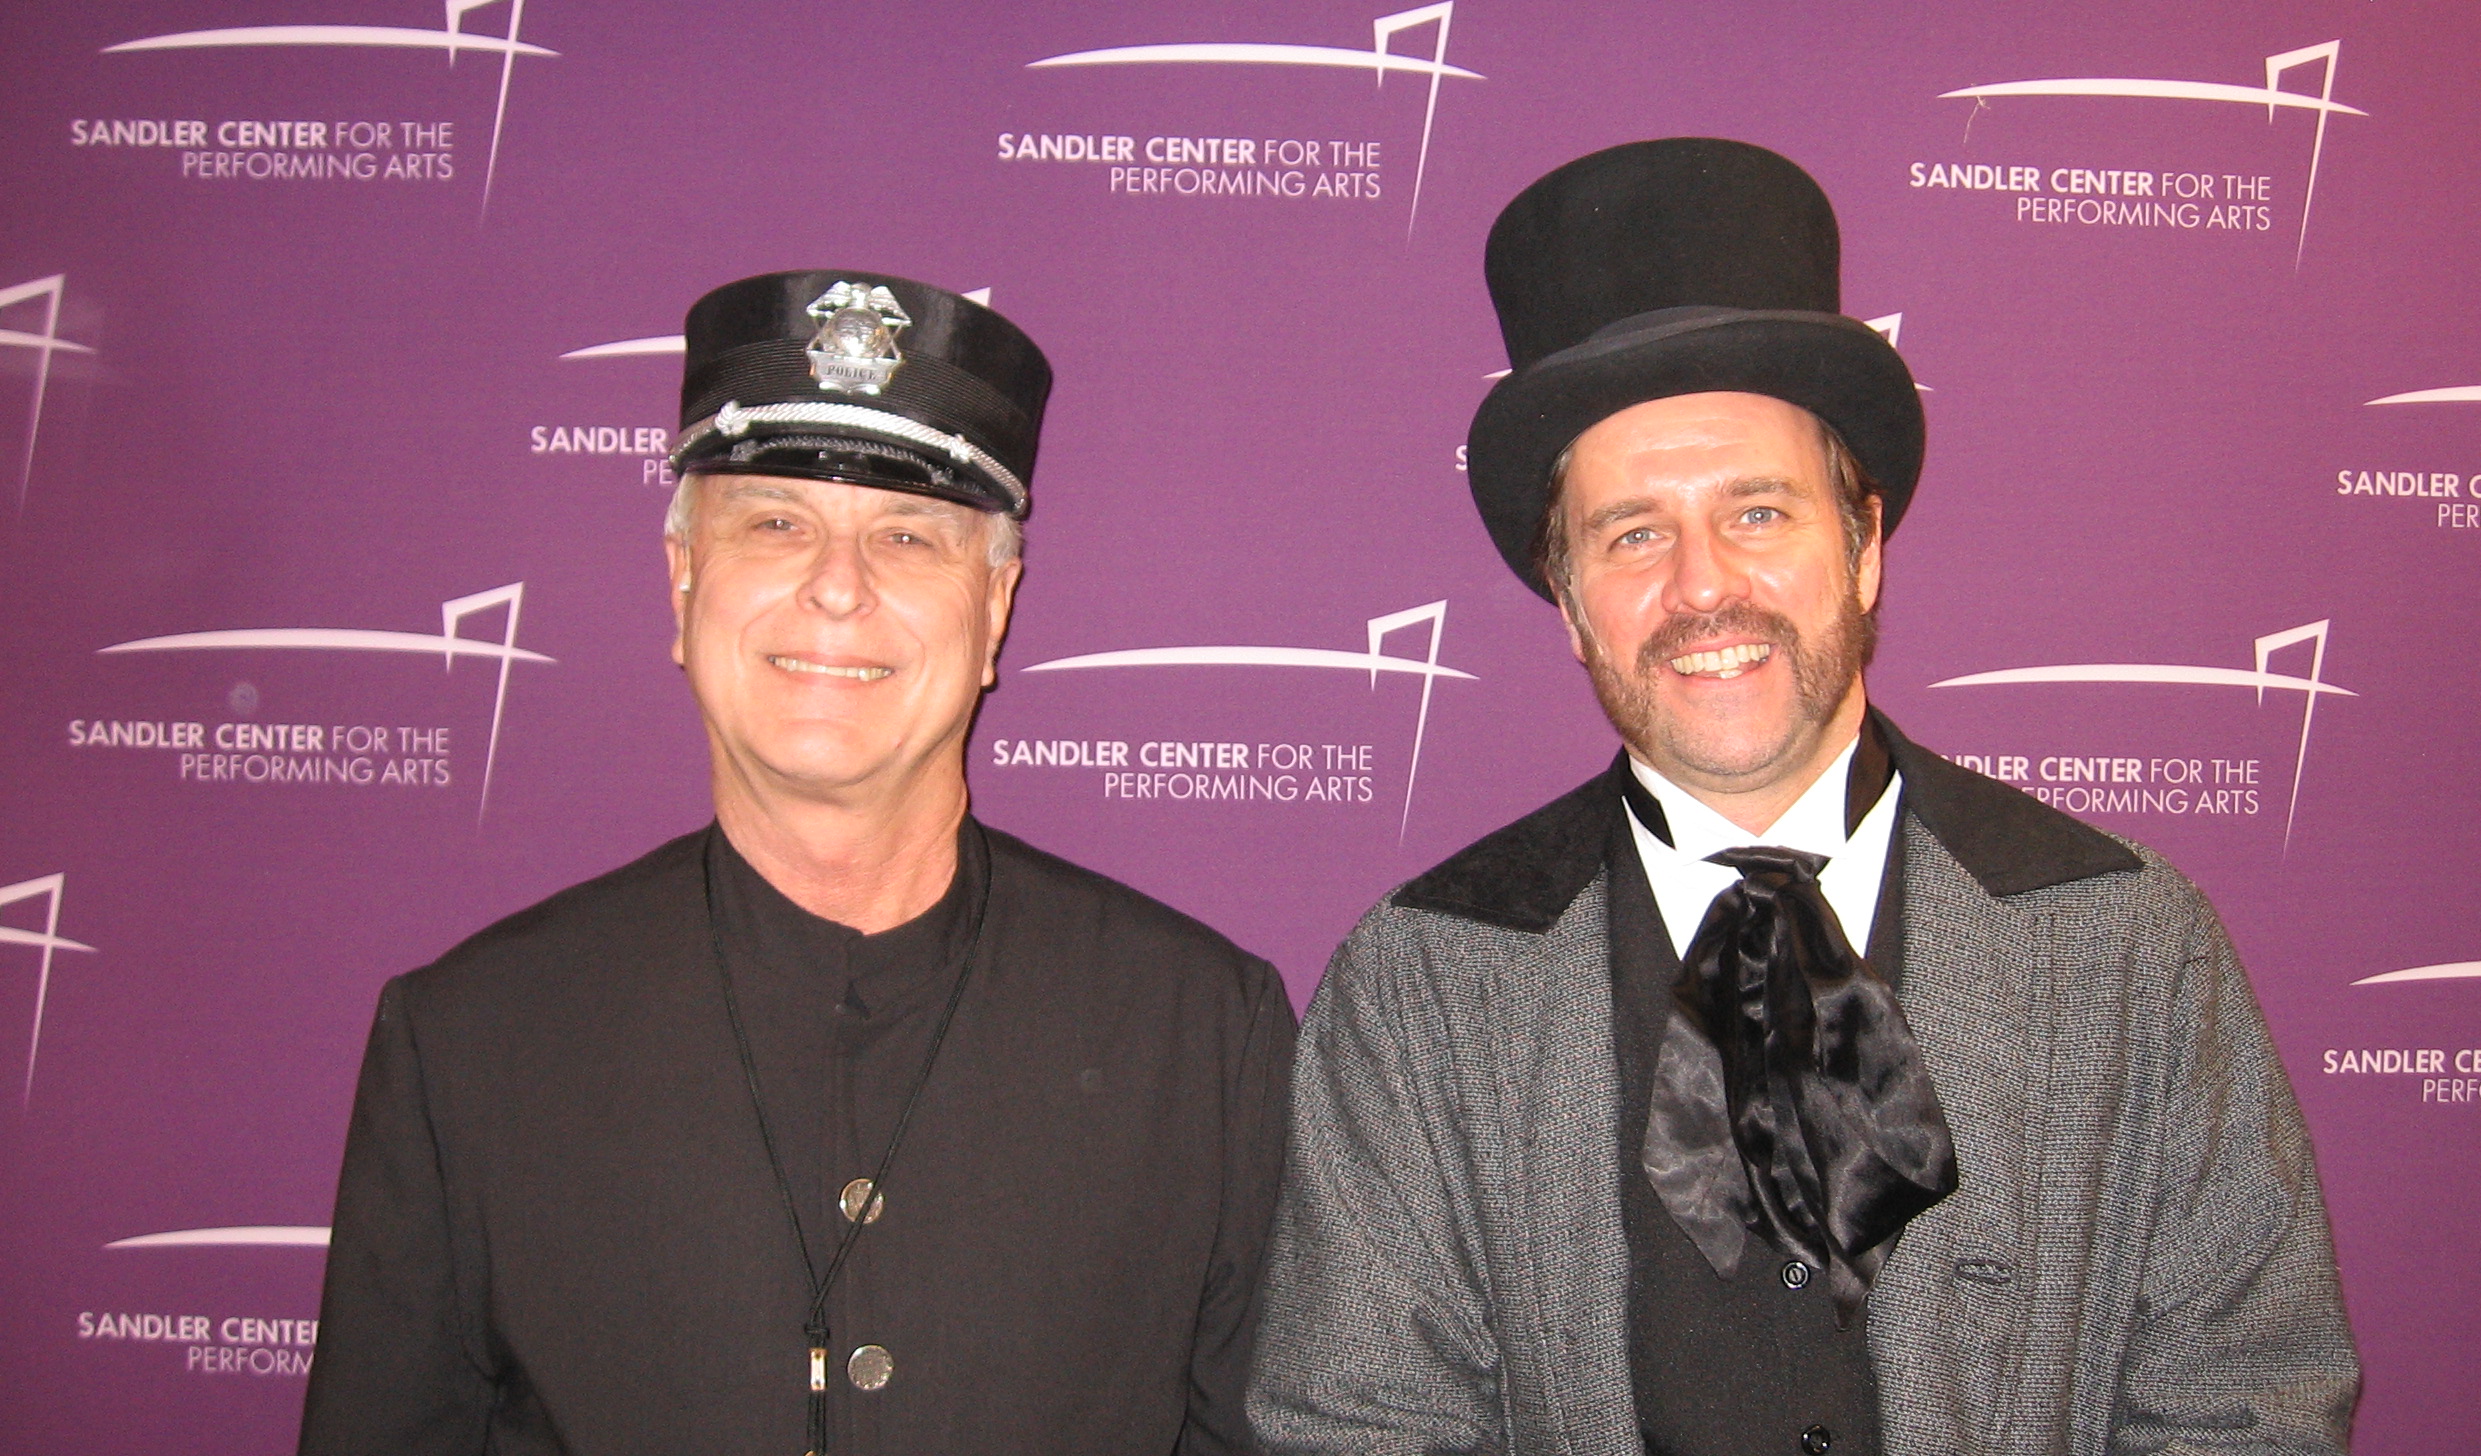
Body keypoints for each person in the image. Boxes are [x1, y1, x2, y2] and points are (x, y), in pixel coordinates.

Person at [1248, 140, 2357, 1456]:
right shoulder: (1419, 984)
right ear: (1570, 607)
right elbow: (1356, 1428)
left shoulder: (2130, 946)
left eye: (1760, 512)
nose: (1704, 588)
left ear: (1866, 544)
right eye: (1634, 532)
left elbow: (2254, 1403)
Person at [301, 271, 1295, 1456]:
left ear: (996, 608)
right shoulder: (468, 1042)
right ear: (682, 586)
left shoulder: (1201, 1034)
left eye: (908, 535)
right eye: (776, 522)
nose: (837, 584)